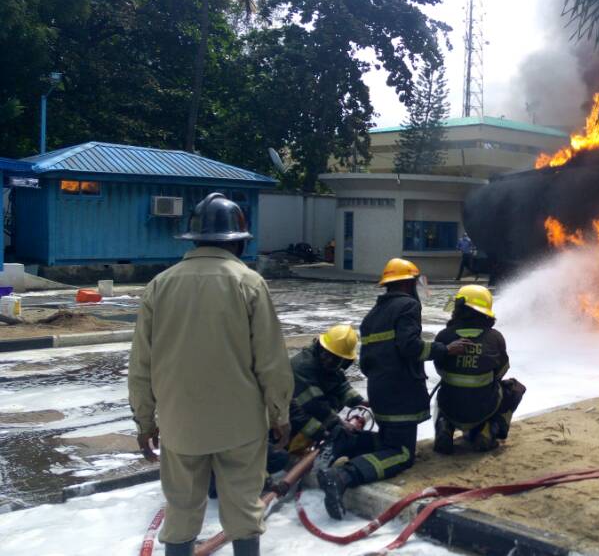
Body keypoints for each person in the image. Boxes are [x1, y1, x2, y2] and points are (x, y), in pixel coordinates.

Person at [128, 193, 293, 556]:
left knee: (181, 512)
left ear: (194, 239)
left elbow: (141, 364)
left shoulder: (160, 285)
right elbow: (271, 361)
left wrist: (145, 422)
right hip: (240, 425)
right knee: (244, 511)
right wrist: (279, 413)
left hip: (180, 423)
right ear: (238, 241)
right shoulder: (249, 283)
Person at [316, 258, 469, 519]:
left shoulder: (371, 316)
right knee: (402, 453)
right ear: (408, 284)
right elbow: (410, 347)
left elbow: (366, 362)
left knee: (388, 441)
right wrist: (445, 349)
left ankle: (346, 441)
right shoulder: (408, 306)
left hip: (380, 391)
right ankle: (343, 476)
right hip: (401, 394)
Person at [432, 285, 526, 453]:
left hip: (450, 407)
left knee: (443, 391)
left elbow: (439, 368)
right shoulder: (495, 337)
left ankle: (444, 428)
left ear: (459, 308)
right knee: (515, 388)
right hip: (483, 409)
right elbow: (501, 371)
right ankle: (490, 429)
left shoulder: (444, 336)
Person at [284, 324, 365, 456]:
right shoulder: (302, 367)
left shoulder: (328, 367)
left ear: (345, 361)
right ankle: (292, 453)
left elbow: (341, 386)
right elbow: (315, 406)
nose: (329, 360)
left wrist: (361, 402)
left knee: (331, 407)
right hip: (292, 417)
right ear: (320, 347)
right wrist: (338, 425)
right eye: (326, 354)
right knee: (317, 428)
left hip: (305, 413)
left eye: (336, 359)